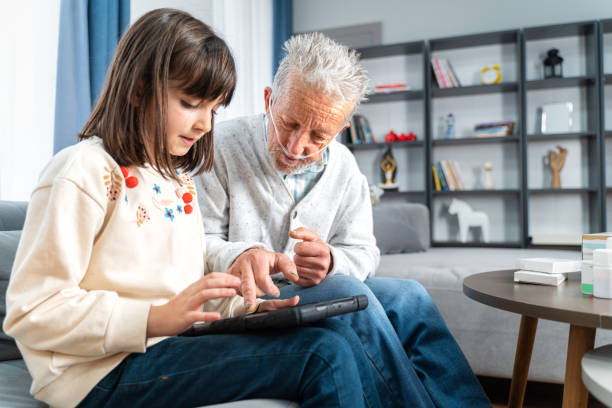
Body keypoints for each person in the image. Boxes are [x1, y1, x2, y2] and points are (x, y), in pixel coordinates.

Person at [3, 9, 390, 408]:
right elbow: (32, 311)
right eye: (190, 103)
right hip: (97, 374)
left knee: (335, 336)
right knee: (323, 356)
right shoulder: (82, 170)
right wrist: (154, 319)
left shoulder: (176, 179)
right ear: (138, 90)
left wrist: (248, 306)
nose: (206, 124)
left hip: (166, 345)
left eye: (214, 109)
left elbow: (183, 287)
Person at [195, 32, 492, 407]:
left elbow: (364, 250)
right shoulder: (219, 146)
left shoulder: (345, 167)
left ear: (340, 130)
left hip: (305, 292)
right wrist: (242, 253)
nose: (296, 146)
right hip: (247, 302)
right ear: (270, 99)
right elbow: (194, 239)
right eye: (288, 123)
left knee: (409, 296)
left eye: (319, 135)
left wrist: (332, 260)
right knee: (347, 292)